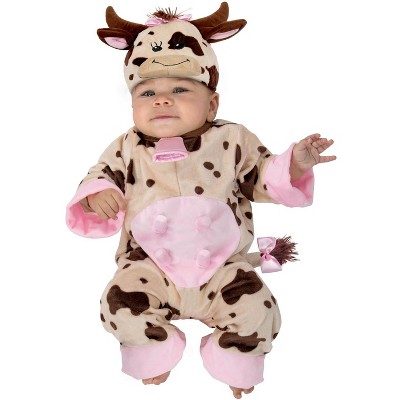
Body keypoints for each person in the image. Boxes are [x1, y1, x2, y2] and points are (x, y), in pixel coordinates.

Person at [66, 3, 336, 399]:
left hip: (222, 270)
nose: (162, 100)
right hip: (149, 268)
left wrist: (293, 164)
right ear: (133, 104)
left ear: (212, 104)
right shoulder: (127, 146)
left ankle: (236, 360)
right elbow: (99, 176)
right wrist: (97, 196)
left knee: (258, 309)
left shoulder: (232, 139)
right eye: (148, 92)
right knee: (118, 303)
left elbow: (262, 176)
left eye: (180, 90)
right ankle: (153, 352)